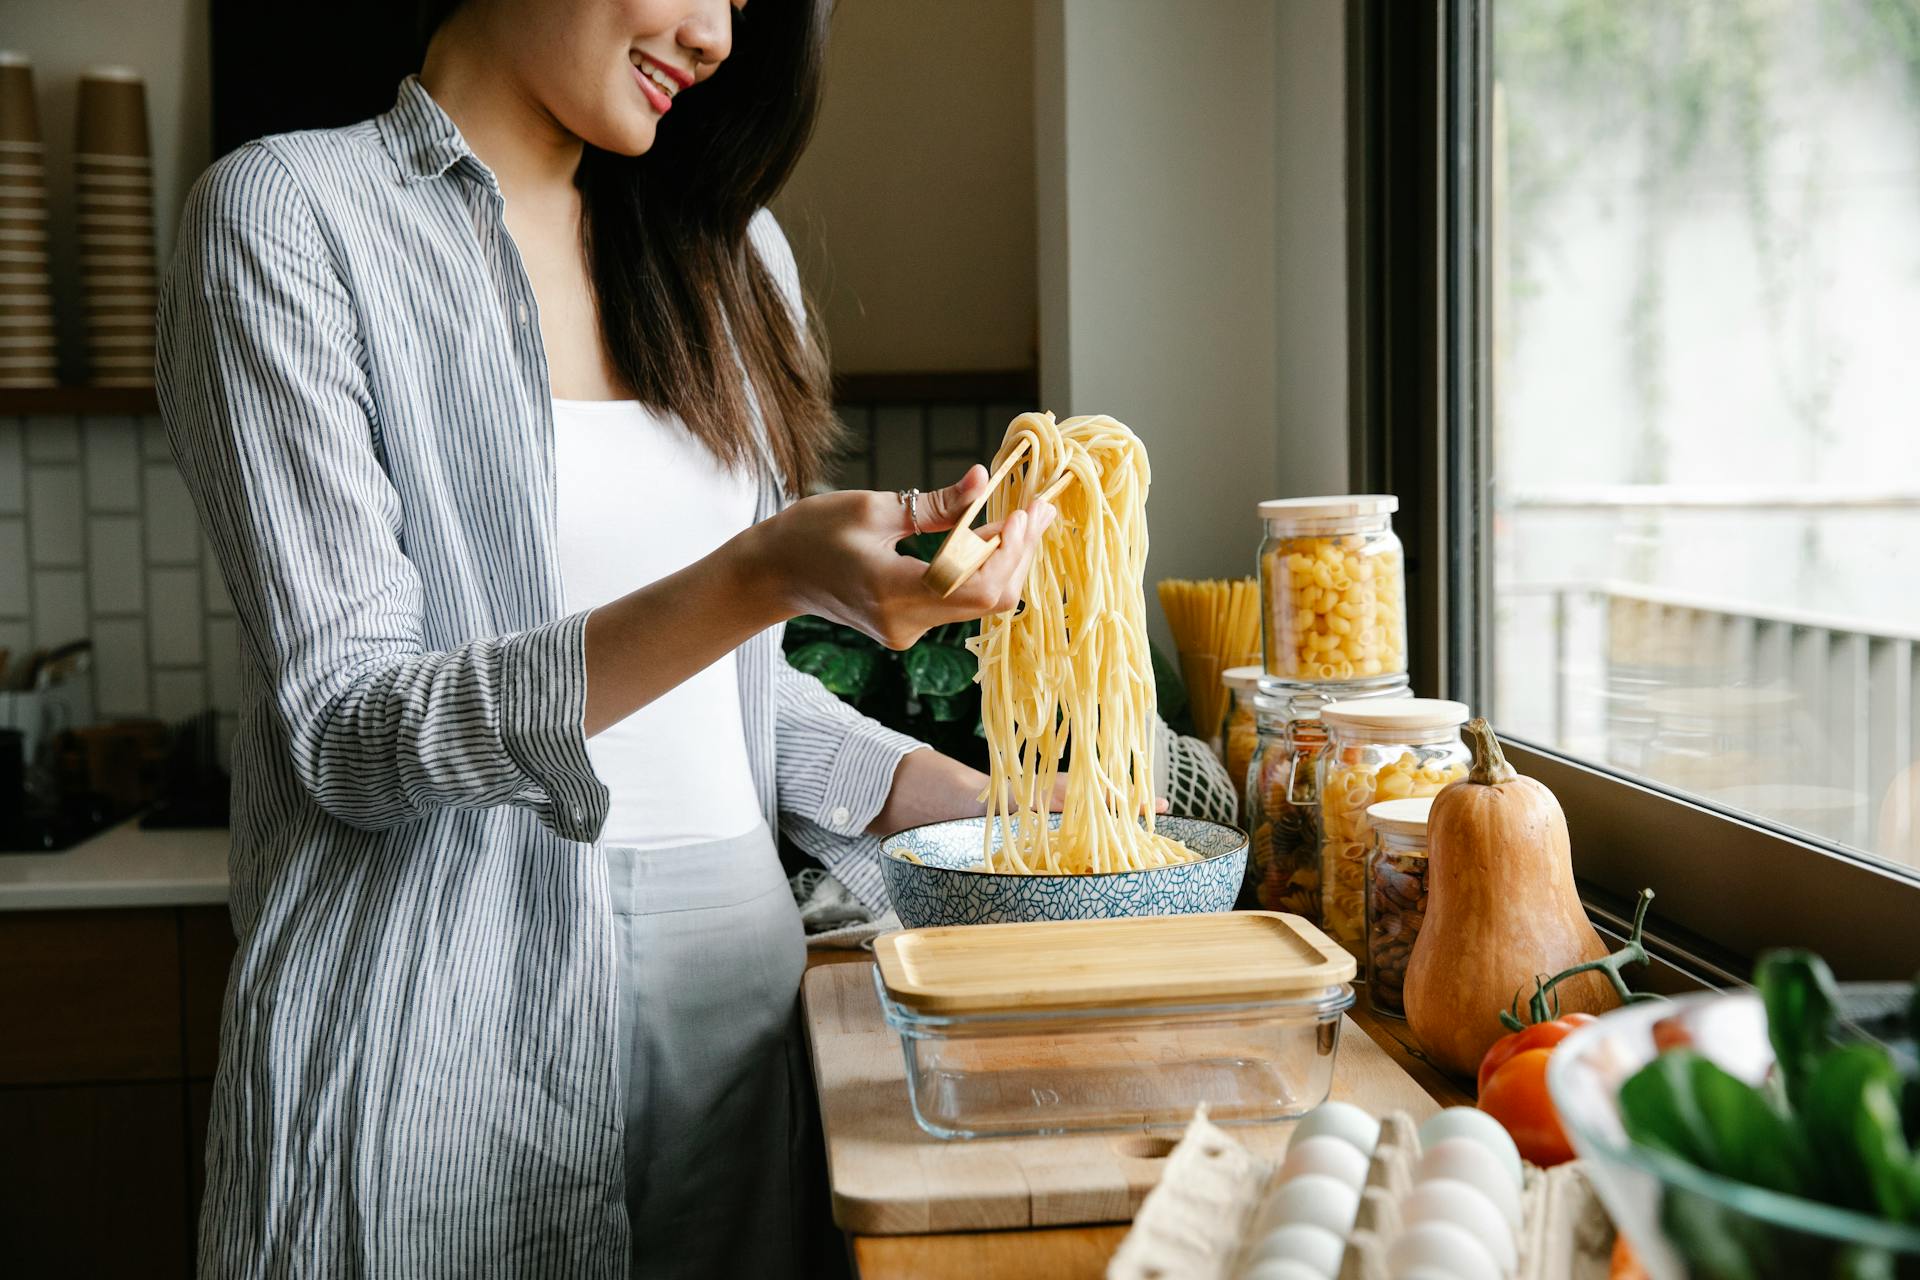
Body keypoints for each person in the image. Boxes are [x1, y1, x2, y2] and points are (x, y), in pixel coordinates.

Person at [156, 1, 1055, 1275]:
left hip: (738, 1000)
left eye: (743, 2)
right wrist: (762, 572)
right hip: (443, 1020)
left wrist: (991, 812)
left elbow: (725, 695)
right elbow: (353, 736)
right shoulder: (289, 220)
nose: (717, 36)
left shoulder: (736, 253)